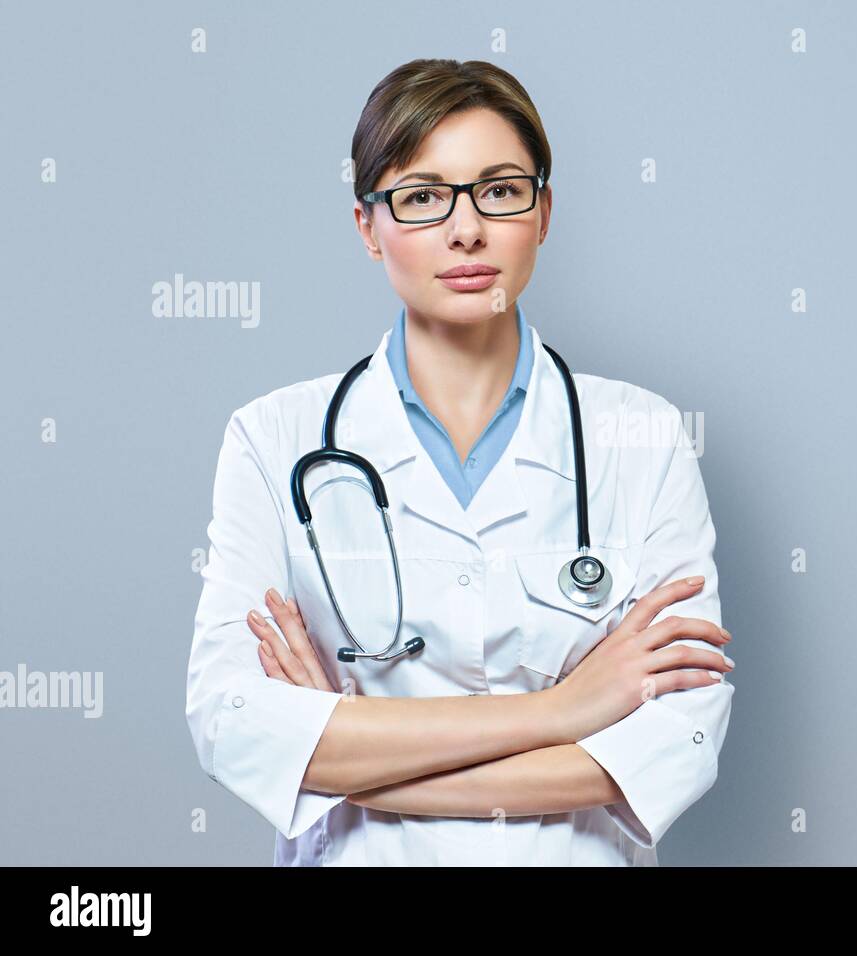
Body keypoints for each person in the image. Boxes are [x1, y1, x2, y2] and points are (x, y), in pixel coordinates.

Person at [184, 58, 735, 866]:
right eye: (422, 198)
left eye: (500, 190)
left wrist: (344, 758)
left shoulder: (642, 436)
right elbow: (233, 722)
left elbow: (677, 741)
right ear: (368, 226)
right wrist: (567, 710)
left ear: (543, 213)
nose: (466, 228)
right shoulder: (274, 440)